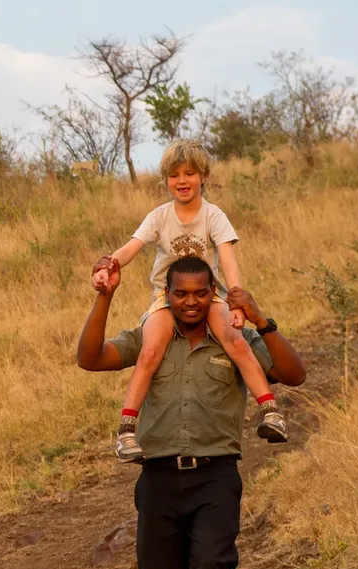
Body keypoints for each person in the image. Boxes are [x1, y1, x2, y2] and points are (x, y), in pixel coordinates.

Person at [77, 254, 306, 569]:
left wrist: (263, 321)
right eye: (181, 293)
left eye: (201, 293)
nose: (191, 302)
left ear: (214, 292)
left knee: (211, 568)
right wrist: (105, 296)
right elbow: (90, 358)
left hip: (216, 475)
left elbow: (293, 372)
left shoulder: (234, 336)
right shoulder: (150, 337)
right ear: (166, 294)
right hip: (158, 480)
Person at [91, 139, 288, 463]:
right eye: (174, 175)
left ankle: (271, 411)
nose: (182, 180)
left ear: (204, 176)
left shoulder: (213, 215)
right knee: (150, 350)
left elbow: (227, 260)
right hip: (167, 296)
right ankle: (127, 430)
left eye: (190, 173)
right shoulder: (160, 216)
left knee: (235, 341)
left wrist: (236, 302)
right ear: (166, 179)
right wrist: (108, 265)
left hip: (210, 295)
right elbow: (132, 246)